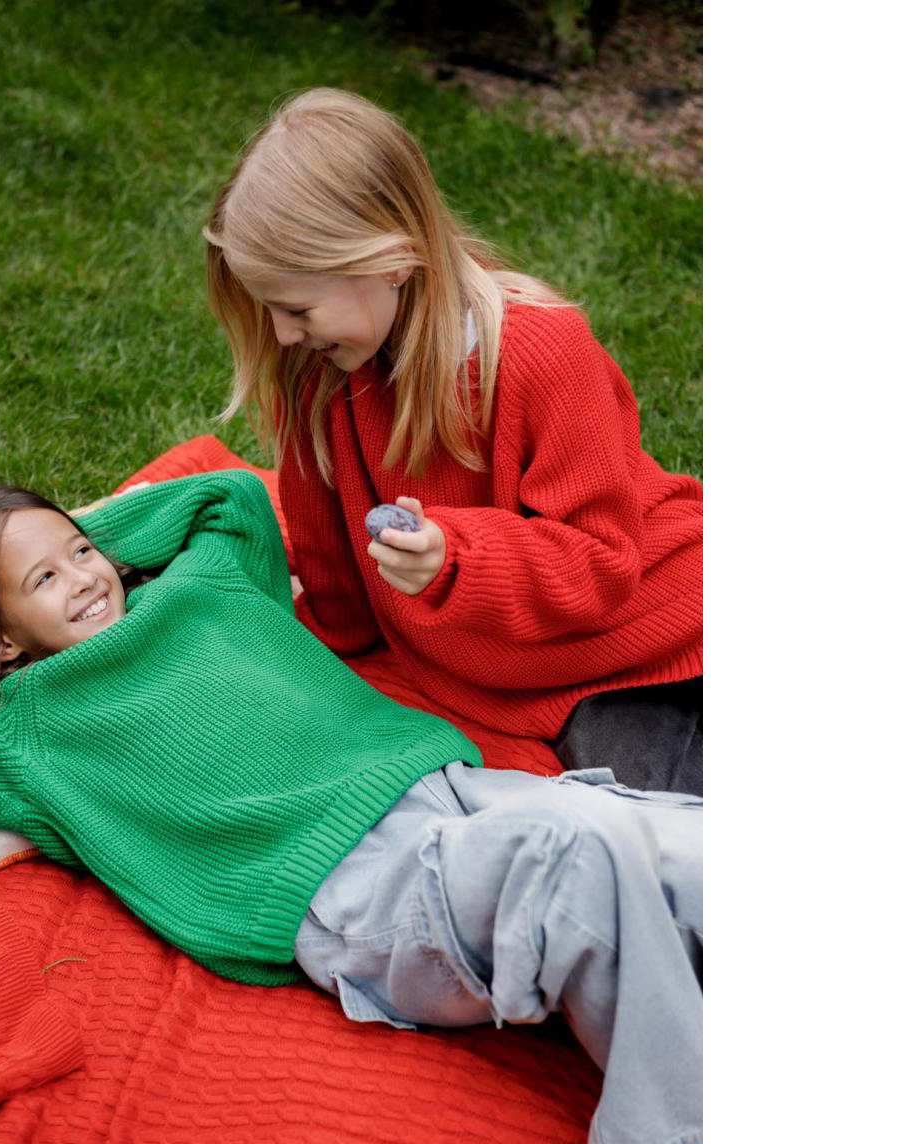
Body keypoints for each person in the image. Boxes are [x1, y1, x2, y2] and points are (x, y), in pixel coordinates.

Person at [0, 471, 702, 1144]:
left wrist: (80, 532)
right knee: (578, 854)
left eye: (81, 553)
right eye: (43, 579)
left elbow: (229, 498)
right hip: (359, 885)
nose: (83, 578)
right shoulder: (24, 730)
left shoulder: (203, 585)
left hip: (456, 791)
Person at [203, 88, 703, 795]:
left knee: (676, 814)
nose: (283, 334)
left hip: (653, 623)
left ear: (391, 260)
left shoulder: (544, 353)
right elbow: (336, 580)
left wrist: (457, 559)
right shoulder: (320, 375)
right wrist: (296, 643)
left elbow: (601, 561)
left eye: (297, 308)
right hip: (535, 675)